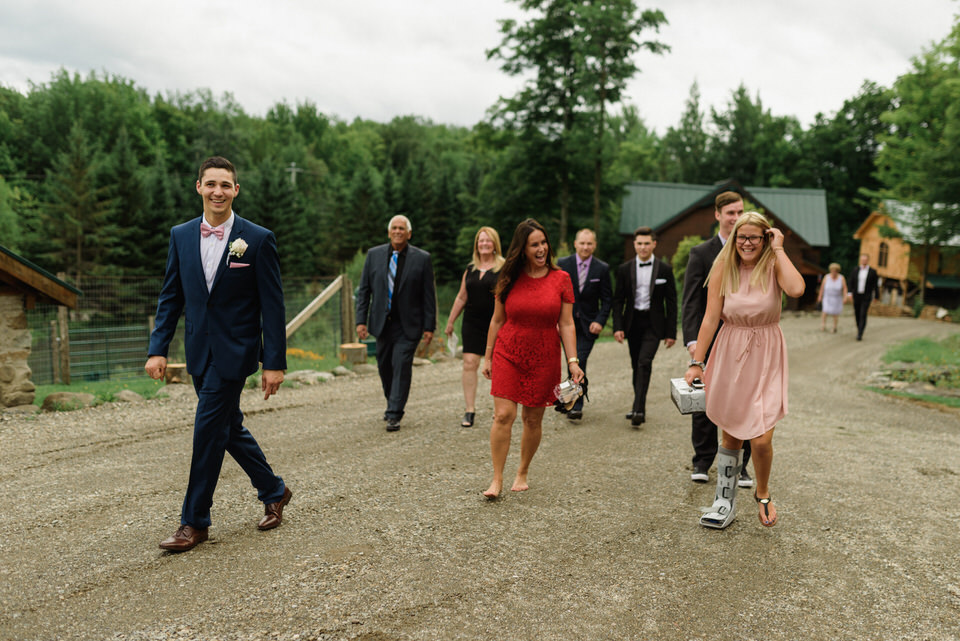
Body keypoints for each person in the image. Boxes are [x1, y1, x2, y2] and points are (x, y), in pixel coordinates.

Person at [145, 156, 291, 553]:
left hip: (236, 353)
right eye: (211, 184)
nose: (218, 191)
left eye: (225, 185)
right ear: (198, 187)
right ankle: (274, 490)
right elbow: (170, 296)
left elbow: (272, 306)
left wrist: (273, 361)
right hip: (197, 352)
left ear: (236, 190)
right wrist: (158, 349)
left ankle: (194, 522)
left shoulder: (257, 239)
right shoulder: (181, 235)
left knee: (207, 432)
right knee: (227, 428)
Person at [685, 212, 805, 529]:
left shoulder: (773, 264)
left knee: (762, 438)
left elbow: (796, 290)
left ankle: (762, 493)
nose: (747, 243)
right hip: (729, 351)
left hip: (767, 353)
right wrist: (697, 362)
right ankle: (723, 502)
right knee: (732, 433)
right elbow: (710, 319)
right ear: (734, 238)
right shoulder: (724, 267)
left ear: (765, 238)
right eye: (741, 237)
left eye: (754, 237)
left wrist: (778, 248)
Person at [481, 218, 583, 498]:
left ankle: (522, 471)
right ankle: (497, 479)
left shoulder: (561, 279)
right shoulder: (507, 277)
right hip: (508, 351)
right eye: (534, 244)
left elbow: (567, 324)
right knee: (504, 415)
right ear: (522, 249)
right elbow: (496, 320)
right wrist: (488, 357)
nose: (541, 249)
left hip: (544, 355)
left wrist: (572, 361)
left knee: (532, 420)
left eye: (543, 243)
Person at [681, 191, 752, 487]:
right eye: (730, 213)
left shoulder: (753, 250)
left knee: (744, 400)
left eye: (740, 212)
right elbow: (690, 303)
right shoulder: (701, 253)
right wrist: (692, 341)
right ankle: (702, 459)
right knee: (706, 399)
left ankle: (742, 465)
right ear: (718, 215)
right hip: (709, 339)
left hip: (744, 340)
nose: (735, 218)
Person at [356, 215, 437, 432]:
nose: (398, 231)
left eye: (402, 228)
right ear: (389, 232)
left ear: (409, 233)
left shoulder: (422, 259)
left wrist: (430, 327)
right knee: (384, 367)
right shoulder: (373, 256)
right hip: (382, 324)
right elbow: (364, 291)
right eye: (394, 228)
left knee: (401, 365)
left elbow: (428, 296)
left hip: (408, 325)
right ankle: (393, 401)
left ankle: (394, 413)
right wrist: (360, 321)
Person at [612, 226, 677, 427]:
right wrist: (618, 327)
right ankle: (637, 405)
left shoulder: (665, 269)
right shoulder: (624, 269)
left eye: (646, 243)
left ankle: (639, 409)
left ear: (654, 244)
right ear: (634, 245)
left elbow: (672, 302)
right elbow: (618, 300)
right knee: (635, 365)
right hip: (632, 323)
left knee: (644, 362)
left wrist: (671, 332)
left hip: (654, 324)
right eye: (639, 243)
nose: (643, 247)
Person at [444, 226, 505, 427]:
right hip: (471, 322)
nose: (484, 244)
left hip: (495, 322)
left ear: (495, 244)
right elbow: (462, 297)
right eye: (481, 241)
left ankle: (500, 409)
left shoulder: (503, 268)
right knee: (469, 363)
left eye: (488, 241)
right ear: (476, 245)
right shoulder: (470, 269)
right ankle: (470, 410)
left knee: (496, 366)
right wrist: (451, 321)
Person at [557, 228, 612, 421]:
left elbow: (607, 300)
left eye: (589, 244)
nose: (585, 247)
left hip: (589, 326)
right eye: (582, 243)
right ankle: (569, 400)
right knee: (571, 361)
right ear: (575, 244)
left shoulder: (602, 268)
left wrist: (600, 321)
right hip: (565, 323)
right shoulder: (562, 264)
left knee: (579, 359)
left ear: (594, 245)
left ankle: (575, 405)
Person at [848, 253, 879, 341]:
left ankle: (860, 333)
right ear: (860, 260)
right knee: (857, 313)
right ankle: (859, 328)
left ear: (867, 261)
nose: (864, 261)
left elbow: (875, 285)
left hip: (867, 296)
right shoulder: (855, 270)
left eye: (865, 260)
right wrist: (849, 293)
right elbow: (851, 281)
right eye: (862, 260)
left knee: (863, 313)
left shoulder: (872, 272)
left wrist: (876, 296)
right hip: (857, 295)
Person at [817, 262, 848, 333]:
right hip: (827, 297)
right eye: (832, 271)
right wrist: (820, 296)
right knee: (825, 311)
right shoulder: (826, 277)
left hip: (837, 298)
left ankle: (834, 327)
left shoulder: (841, 278)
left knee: (835, 313)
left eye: (835, 271)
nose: (834, 272)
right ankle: (823, 325)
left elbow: (845, 288)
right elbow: (822, 288)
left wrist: (845, 297)